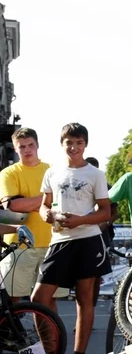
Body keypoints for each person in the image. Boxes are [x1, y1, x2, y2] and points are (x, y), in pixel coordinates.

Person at [32, 123, 112, 354]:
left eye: (78, 142)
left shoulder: (95, 174)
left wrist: (80, 220)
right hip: (59, 241)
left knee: (84, 300)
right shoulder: (52, 172)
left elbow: (105, 212)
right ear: (62, 144)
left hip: (88, 239)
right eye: (69, 142)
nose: (74, 147)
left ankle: (79, 352)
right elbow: (44, 205)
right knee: (39, 298)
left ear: (85, 144)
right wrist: (46, 213)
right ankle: (51, 350)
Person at [0, 127, 69, 307]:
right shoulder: (8, 173)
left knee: (49, 301)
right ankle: (11, 336)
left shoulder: (54, 171)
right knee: (12, 300)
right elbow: (13, 206)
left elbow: (64, 201)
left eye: (30, 145)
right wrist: (48, 198)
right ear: (15, 149)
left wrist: (27, 202)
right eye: (21, 147)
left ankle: (51, 337)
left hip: (53, 243)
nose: (27, 150)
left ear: (37, 145)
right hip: (19, 244)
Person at [85, 156, 119, 307]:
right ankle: (85, 313)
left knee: (96, 276)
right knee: (83, 276)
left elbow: (115, 213)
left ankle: (90, 310)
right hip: (82, 235)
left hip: (102, 236)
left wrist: (105, 224)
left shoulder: (107, 186)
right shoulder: (78, 185)